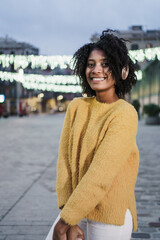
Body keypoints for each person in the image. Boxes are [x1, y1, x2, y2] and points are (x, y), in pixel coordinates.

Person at [49, 30, 139, 240]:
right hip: (74, 211)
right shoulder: (77, 107)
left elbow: (101, 174)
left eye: (105, 63)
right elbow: (65, 164)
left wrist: (65, 222)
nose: (96, 69)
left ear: (122, 71)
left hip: (109, 216)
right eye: (91, 64)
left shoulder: (124, 113)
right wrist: (70, 218)